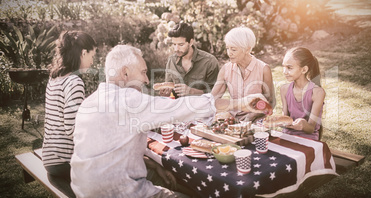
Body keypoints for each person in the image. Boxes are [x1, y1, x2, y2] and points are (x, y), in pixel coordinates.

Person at [70, 45, 266, 197]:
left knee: (177, 181)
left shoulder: (90, 101)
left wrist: (154, 166)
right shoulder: (128, 100)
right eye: (144, 72)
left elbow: (111, 149)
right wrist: (241, 103)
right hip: (119, 192)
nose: (147, 80)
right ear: (125, 73)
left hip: (84, 189)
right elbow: (181, 108)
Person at [42, 31, 96, 197]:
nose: (93, 61)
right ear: (83, 53)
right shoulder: (74, 82)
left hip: (49, 157)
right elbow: (73, 130)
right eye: (92, 56)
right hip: (64, 161)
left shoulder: (55, 78)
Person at [211, 26, 276, 122]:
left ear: (247, 49)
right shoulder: (226, 70)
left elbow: (270, 102)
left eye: (233, 49)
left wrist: (252, 116)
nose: (229, 53)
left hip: (256, 121)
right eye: (228, 48)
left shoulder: (263, 69)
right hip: (232, 119)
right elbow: (212, 100)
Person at [160, 22, 219, 97]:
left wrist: (192, 91)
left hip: (201, 107)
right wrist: (167, 93)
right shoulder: (171, 60)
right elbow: (170, 90)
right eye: (174, 44)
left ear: (191, 42)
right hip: (178, 107)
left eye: (181, 45)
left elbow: (216, 94)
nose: (176, 49)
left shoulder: (210, 62)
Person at [279, 47, 324, 141]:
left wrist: (303, 124)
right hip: (287, 137)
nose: (284, 72)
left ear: (304, 70)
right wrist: (278, 121)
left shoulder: (317, 93)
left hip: (308, 140)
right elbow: (285, 118)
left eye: (289, 68)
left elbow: (311, 128)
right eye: (283, 67)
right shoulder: (284, 89)